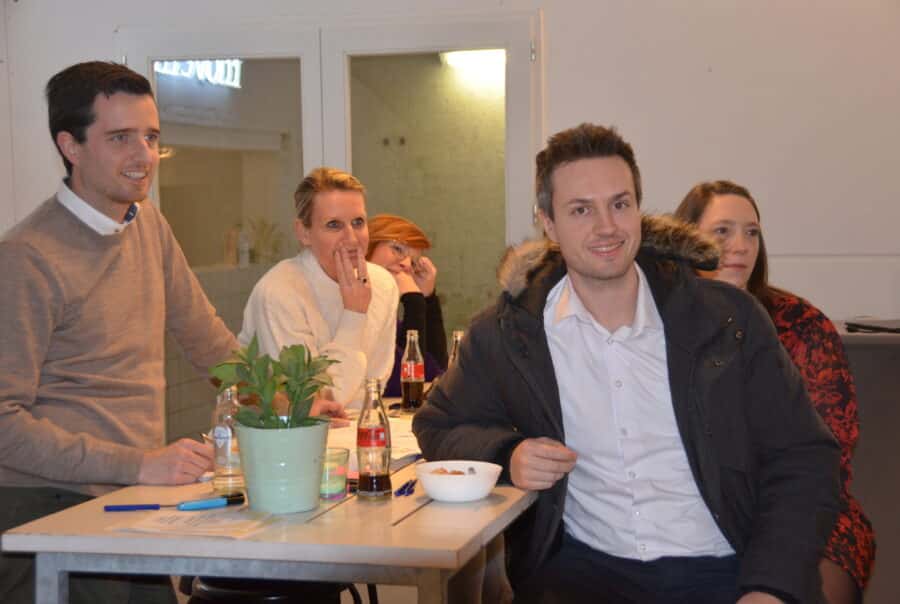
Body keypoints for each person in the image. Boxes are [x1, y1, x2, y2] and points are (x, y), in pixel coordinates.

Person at [413, 123, 841, 603]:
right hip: (583, 576)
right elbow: (438, 426)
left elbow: (805, 456)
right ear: (548, 223)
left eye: (620, 204)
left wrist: (771, 587)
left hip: (725, 572)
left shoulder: (727, 320)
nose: (607, 227)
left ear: (639, 209)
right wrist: (507, 454)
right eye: (581, 210)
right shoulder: (510, 334)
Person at [0, 61, 234, 604]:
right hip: (45, 509)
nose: (144, 156)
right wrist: (140, 463)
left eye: (151, 137)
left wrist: (287, 397)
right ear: (71, 146)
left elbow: (206, 339)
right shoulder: (26, 257)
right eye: (121, 138)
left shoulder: (147, 222)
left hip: (129, 495)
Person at [674, 180, 876, 604]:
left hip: (807, 508)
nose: (741, 245)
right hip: (698, 509)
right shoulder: (660, 323)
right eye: (722, 231)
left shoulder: (801, 323)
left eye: (751, 232)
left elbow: (831, 452)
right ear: (687, 240)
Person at [239, 168, 399, 409]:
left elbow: (373, 387)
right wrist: (354, 315)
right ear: (304, 233)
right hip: (283, 429)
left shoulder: (383, 284)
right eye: (334, 225)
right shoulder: (278, 293)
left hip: (354, 425)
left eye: (358, 222)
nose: (352, 238)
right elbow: (309, 401)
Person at [366, 214, 448, 396]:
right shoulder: (355, 309)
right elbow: (401, 382)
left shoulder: (390, 319)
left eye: (412, 262)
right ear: (368, 246)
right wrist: (414, 301)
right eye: (397, 249)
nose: (405, 264)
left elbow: (434, 373)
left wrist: (428, 298)